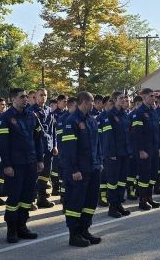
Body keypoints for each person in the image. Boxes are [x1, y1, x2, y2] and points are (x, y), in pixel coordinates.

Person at [0, 88, 43, 243]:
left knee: (27, 197)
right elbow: (3, 144)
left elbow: (38, 139)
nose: (25, 99)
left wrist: (40, 159)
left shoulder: (31, 115)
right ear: (13, 99)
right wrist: (7, 165)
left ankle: (22, 226)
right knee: (14, 198)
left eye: (26, 97)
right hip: (15, 165)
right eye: (22, 97)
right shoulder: (5, 118)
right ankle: (11, 230)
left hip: (30, 162)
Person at [59, 91, 102, 248]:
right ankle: (74, 234)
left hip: (93, 168)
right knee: (75, 202)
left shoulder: (91, 120)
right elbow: (69, 149)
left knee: (90, 201)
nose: (94, 104)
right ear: (84, 102)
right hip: (79, 171)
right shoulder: (72, 121)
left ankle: (84, 230)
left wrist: (99, 162)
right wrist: (74, 169)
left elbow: (97, 144)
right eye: (91, 102)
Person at [100, 92, 135, 218]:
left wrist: (129, 151)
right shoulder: (109, 115)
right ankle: (112, 207)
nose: (124, 100)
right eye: (121, 98)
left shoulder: (125, 115)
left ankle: (119, 204)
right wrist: (111, 153)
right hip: (113, 155)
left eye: (125, 98)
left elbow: (129, 135)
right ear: (114, 100)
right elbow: (108, 137)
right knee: (113, 182)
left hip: (124, 153)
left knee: (121, 182)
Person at [130, 89, 160, 210]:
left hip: (154, 148)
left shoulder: (153, 111)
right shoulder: (139, 112)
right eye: (151, 96)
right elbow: (136, 134)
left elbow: (157, 132)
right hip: (144, 150)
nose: (153, 98)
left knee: (153, 175)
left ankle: (149, 198)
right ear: (143, 97)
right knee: (144, 176)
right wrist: (141, 150)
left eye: (154, 96)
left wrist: (158, 148)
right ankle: (142, 201)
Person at [30, 89, 56, 209]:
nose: (44, 97)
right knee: (34, 175)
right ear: (35, 97)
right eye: (41, 95)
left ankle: (42, 198)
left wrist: (55, 145)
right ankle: (30, 200)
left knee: (45, 174)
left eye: (45, 95)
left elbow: (52, 129)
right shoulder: (31, 111)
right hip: (37, 147)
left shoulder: (49, 110)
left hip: (48, 146)